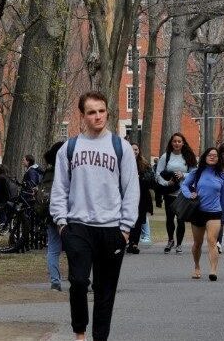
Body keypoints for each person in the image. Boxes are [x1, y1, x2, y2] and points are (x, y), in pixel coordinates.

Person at [50, 91, 140, 341]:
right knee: (78, 282)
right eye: (91, 112)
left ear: (107, 112)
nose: (97, 116)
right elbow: (59, 189)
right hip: (78, 226)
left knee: (105, 289)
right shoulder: (69, 148)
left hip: (112, 228)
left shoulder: (120, 147)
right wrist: (61, 224)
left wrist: (125, 228)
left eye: (101, 111)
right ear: (83, 116)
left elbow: (131, 188)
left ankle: (100, 338)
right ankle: (80, 333)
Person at [181, 147, 224, 281]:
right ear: (205, 157)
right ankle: (197, 267)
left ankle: (213, 270)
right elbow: (184, 185)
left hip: (215, 212)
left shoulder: (221, 175)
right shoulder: (197, 172)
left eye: (215, 155)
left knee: (212, 241)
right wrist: (189, 194)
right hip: (198, 212)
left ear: (218, 158)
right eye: (210, 155)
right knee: (197, 243)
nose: (212, 157)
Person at [154, 132, 197, 254]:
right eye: (174, 141)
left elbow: (195, 174)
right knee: (169, 218)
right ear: (171, 143)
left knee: (181, 219)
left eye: (179, 141)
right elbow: (158, 174)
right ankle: (170, 240)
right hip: (169, 193)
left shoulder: (188, 157)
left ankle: (179, 244)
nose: (177, 143)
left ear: (183, 143)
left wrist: (184, 174)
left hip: (183, 193)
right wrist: (167, 183)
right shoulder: (166, 156)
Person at [41, 141, 65, 291]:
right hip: (67, 215)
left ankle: (55, 280)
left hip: (50, 215)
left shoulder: (48, 172)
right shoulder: (67, 171)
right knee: (77, 249)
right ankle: (83, 280)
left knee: (53, 249)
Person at [128, 142, 155, 254]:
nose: (134, 152)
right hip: (127, 196)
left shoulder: (144, 164)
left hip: (141, 197)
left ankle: (134, 243)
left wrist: (142, 177)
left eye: (136, 150)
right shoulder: (123, 162)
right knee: (129, 220)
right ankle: (128, 241)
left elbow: (151, 178)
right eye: (132, 149)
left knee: (139, 220)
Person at [0, 164, 12, 233]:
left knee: (2, 217)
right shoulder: (8, 178)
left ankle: (2, 230)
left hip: (1, 201)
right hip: (8, 201)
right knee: (7, 216)